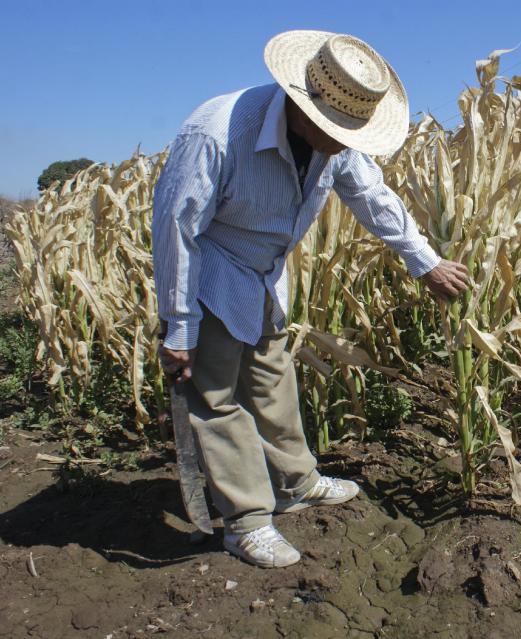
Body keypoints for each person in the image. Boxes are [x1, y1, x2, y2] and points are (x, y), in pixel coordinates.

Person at [152, 30, 469, 568]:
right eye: (337, 130)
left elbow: (372, 197)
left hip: (267, 276)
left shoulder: (335, 146)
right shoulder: (219, 133)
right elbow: (176, 228)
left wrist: (426, 262)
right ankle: (247, 521)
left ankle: (296, 482)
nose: (345, 141)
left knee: (273, 378)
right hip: (211, 274)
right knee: (217, 399)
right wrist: (179, 326)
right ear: (302, 106)